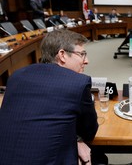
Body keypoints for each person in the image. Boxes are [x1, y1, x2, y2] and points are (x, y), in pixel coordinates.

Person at [0, 29, 107, 165]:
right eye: (82, 54)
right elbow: (89, 132)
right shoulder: (78, 83)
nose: (87, 61)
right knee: (99, 157)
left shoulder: (16, 76)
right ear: (62, 55)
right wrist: (77, 140)